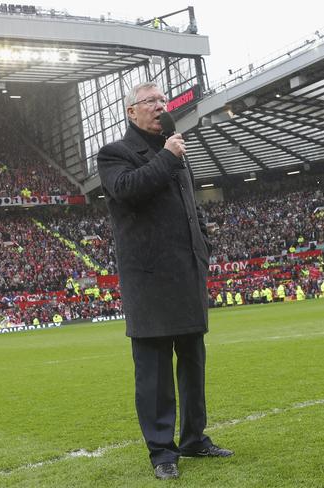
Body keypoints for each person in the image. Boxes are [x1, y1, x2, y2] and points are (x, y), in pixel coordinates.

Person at [97, 82, 232, 480]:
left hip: (187, 270)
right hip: (150, 278)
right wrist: (169, 158)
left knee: (193, 361)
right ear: (130, 112)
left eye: (162, 101)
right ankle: (161, 451)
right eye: (150, 102)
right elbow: (127, 191)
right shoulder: (114, 154)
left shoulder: (176, 152)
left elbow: (190, 209)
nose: (159, 107)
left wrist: (203, 246)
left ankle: (194, 438)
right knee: (154, 369)